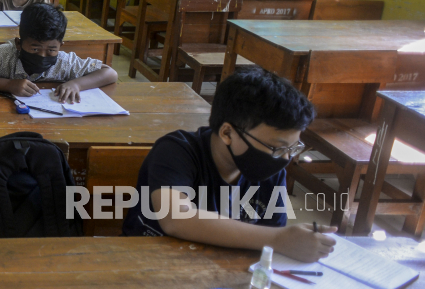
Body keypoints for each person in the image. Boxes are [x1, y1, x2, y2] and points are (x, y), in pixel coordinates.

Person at [122, 67, 337, 263]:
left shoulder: (271, 169)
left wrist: (287, 242)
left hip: (222, 268)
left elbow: (268, 236)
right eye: (276, 147)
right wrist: (279, 240)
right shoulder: (177, 151)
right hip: (151, 263)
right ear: (227, 133)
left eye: (292, 148)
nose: (285, 158)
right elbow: (176, 218)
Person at [0, 3, 117, 103]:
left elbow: (110, 73)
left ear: (60, 46)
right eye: (35, 49)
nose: (43, 55)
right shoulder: (3, 55)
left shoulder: (64, 61)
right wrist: (8, 85)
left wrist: (77, 84)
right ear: (19, 44)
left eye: (51, 50)